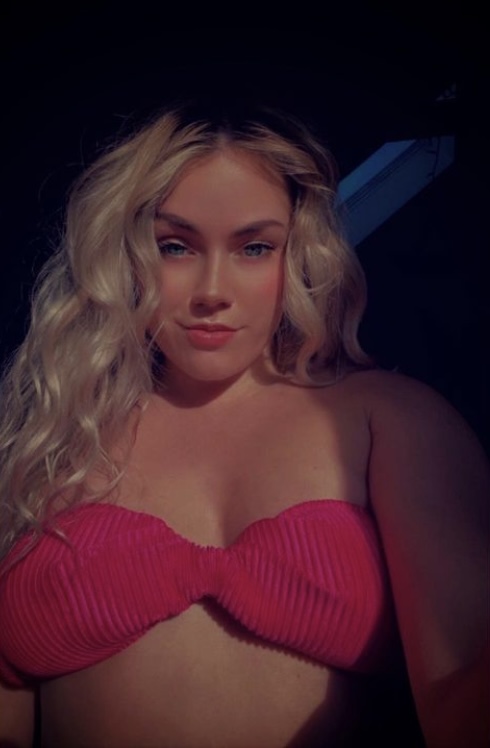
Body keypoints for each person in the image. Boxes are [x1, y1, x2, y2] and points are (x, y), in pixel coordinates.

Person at [0, 101, 488, 748]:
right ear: (127, 255)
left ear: (298, 254)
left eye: (255, 247)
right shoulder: (53, 435)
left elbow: (461, 707)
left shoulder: (389, 420)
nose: (212, 290)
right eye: (175, 246)